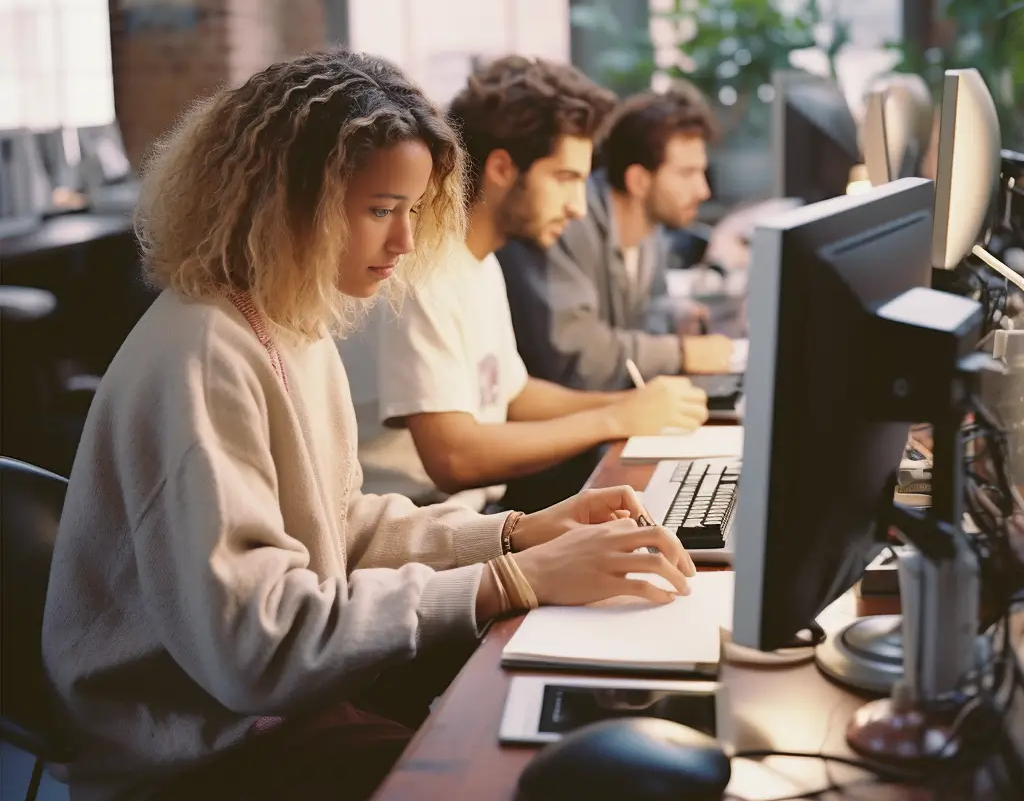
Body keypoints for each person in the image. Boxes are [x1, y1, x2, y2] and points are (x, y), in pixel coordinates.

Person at [40, 49, 697, 801]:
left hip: (270, 713)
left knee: (545, 735)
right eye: (381, 210)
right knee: (507, 774)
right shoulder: (203, 355)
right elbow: (260, 647)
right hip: (195, 755)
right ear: (283, 201)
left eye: (413, 211)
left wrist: (517, 534)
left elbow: (339, 528)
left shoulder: (288, 316)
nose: (407, 243)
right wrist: (504, 582)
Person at [376, 56, 708, 514]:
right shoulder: (420, 271)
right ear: (501, 168)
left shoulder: (479, 262)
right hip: (415, 532)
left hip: (469, 519)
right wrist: (614, 417)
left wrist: (635, 406)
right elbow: (454, 457)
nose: (577, 207)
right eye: (564, 179)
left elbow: (513, 394)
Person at [498, 84, 735, 392]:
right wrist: (681, 353)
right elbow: (577, 355)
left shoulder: (651, 234)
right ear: (638, 180)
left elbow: (641, 315)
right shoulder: (565, 223)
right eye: (687, 173)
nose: (703, 190)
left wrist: (675, 315)